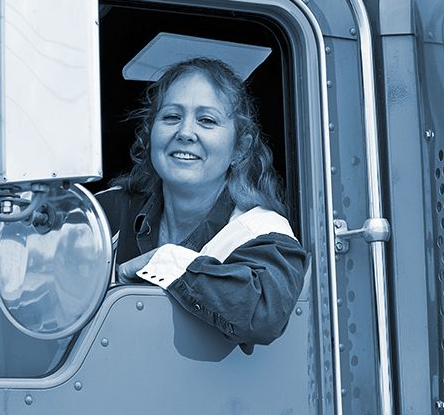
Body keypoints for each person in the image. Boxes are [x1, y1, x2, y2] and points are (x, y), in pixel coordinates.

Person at [97, 57, 308, 350]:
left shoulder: (261, 230)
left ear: (240, 147)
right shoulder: (105, 213)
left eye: (206, 120)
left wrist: (162, 261)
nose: (184, 132)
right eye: (171, 117)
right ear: (150, 134)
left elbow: (263, 312)